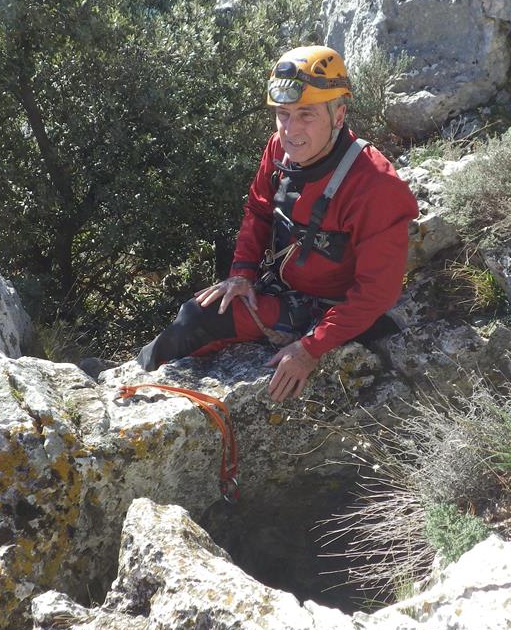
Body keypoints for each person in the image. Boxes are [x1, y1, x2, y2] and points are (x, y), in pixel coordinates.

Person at [137, 45, 419, 401]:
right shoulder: (278, 150)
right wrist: (241, 274)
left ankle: (139, 385)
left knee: (198, 320)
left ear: (339, 115)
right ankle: (137, 373)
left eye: (306, 114)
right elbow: (258, 210)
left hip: (329, 308)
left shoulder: (375, 186)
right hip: (281, 286)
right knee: (199, 312)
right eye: (283, 114)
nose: (290, 129)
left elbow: (376, 293)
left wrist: (311, 348)